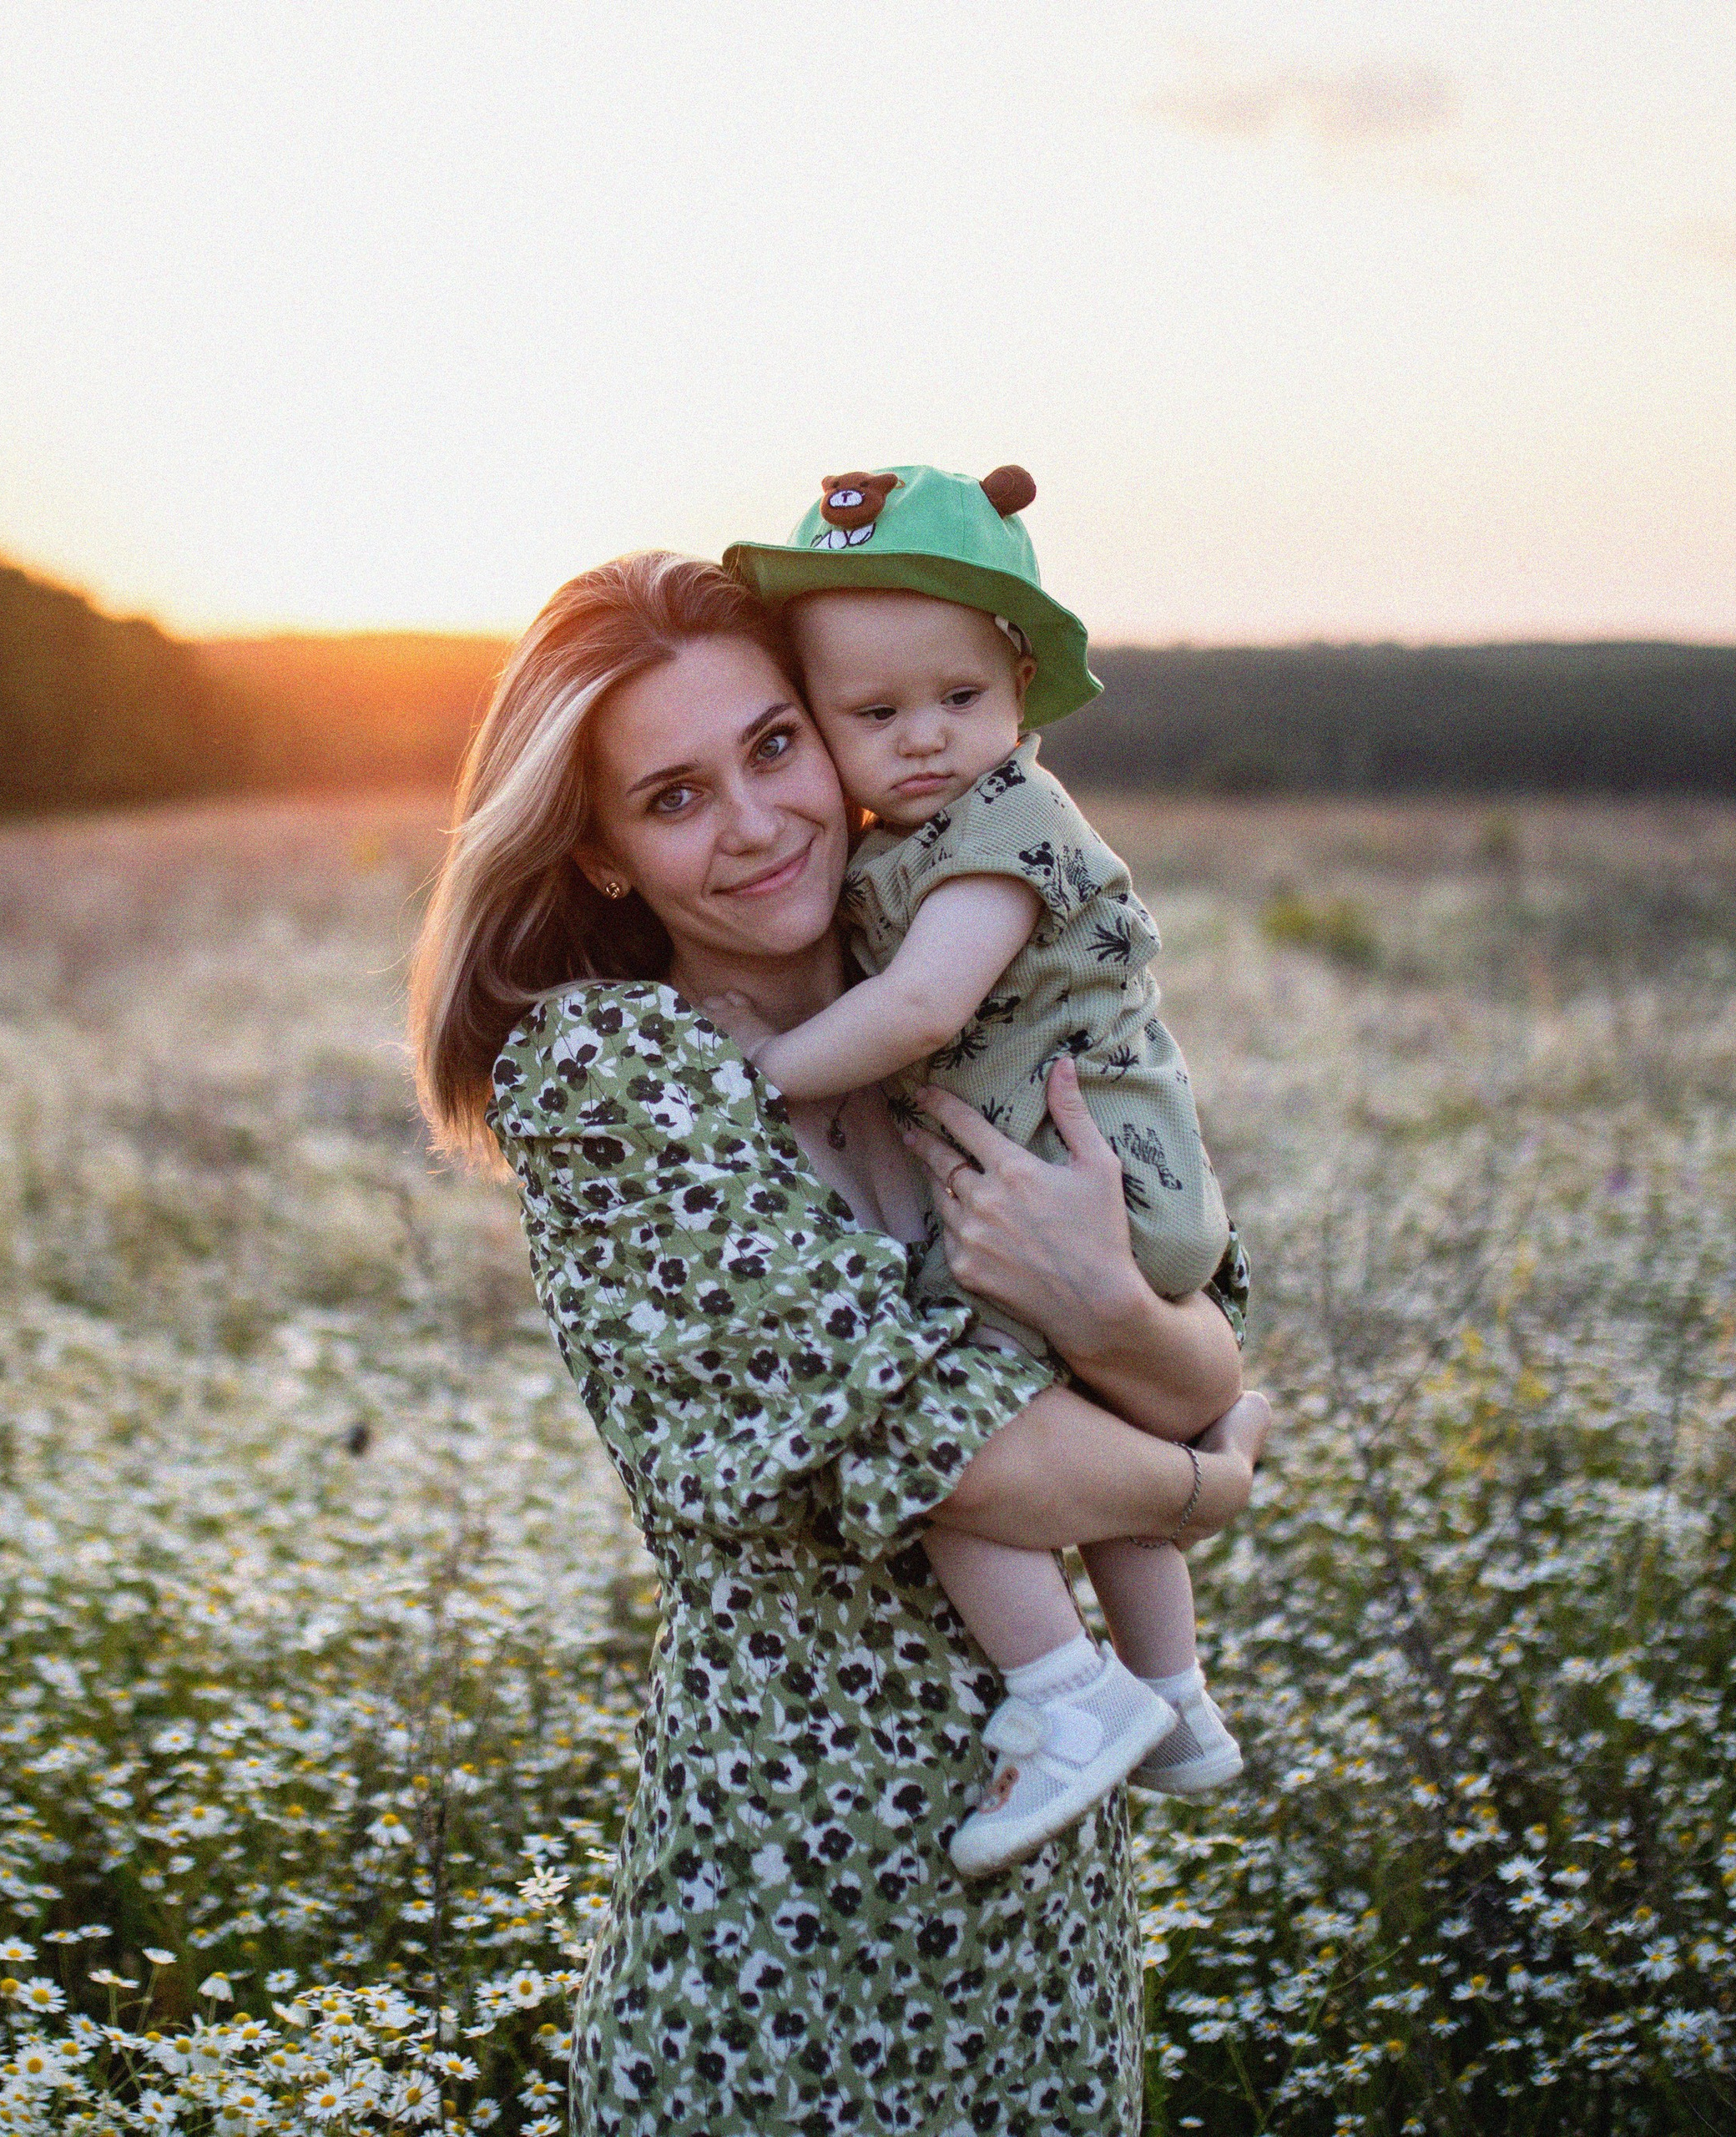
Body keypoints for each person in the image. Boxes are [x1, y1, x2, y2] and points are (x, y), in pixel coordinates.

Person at [409, 550, 1269, 2134]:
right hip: (793, 1945)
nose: (754, 822)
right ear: (596, 853)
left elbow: (1210, 1345)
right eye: (671, 799)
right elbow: (976, 1451)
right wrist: (1205, 1489)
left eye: (774, 746)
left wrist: (1115, 1320)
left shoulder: (953, 991)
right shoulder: (623, 1078)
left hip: (1046, 1938)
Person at [720, 465, 1244, 1873]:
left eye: (956, 698)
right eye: (872, 716)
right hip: (1126, 1200)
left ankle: (1064, 1691)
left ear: (1019, 680)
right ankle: (1181, 1700)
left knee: (948, 1434)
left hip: (1082, 1192)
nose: (923, 741)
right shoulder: (933, 836)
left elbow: (918, 1013)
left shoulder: (1008, 826)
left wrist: (749, 1080)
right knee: (1088, 1425)